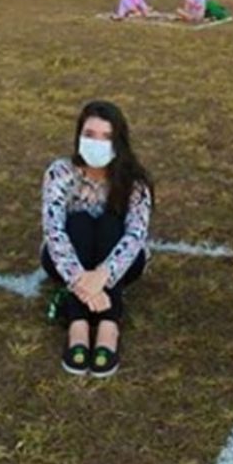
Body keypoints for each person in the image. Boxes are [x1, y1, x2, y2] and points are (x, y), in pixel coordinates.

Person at [41, 101, 153, 378]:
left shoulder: (134, 181)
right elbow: (53, 231)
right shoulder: (60, 172)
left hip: (119, 262)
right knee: (78, 222)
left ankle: (108, 325)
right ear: (79, 135)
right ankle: (77, 324)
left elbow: (135, 235)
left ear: (118, 143)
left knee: (110, 224)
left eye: (106, 137)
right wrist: (82, 280)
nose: (96, 143)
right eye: (89, 134)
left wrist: (102, 276)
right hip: (68, 260)